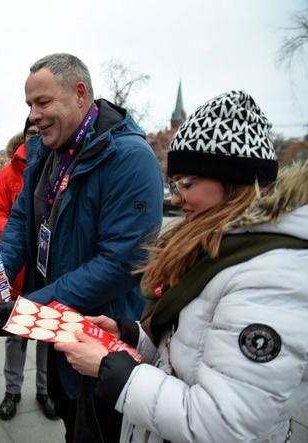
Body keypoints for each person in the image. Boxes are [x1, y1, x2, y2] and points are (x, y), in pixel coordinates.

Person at [55, 90, 308, 443]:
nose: (175, 197)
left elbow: (224, 424)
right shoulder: (223, 247)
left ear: (235, 184)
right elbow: (193, 352)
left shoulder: (270, 281)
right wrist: (130, 337)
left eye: (188, 183)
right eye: (175, 184)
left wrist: (112, 370)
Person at [0, 53, 164, 442]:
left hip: (105, 339)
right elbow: (20, 221)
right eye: (30, 105)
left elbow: (120, 263)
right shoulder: (45, 152)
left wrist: (28, 308)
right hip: (59, 324)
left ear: (80, 94)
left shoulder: (130, 158)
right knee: (70, 421)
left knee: (96, 430)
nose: (33, 115)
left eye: (43, 102)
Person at [0, 118, 57, 421]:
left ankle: (45, 390)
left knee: (44, 333)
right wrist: (17, 235)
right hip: (17, 270)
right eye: (31, 133)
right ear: (23, 136)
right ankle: (12, 391)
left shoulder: (58, 167)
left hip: (45, 271)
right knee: (15, 335)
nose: (36, 138)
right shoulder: (8, 172)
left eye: (40, 133)